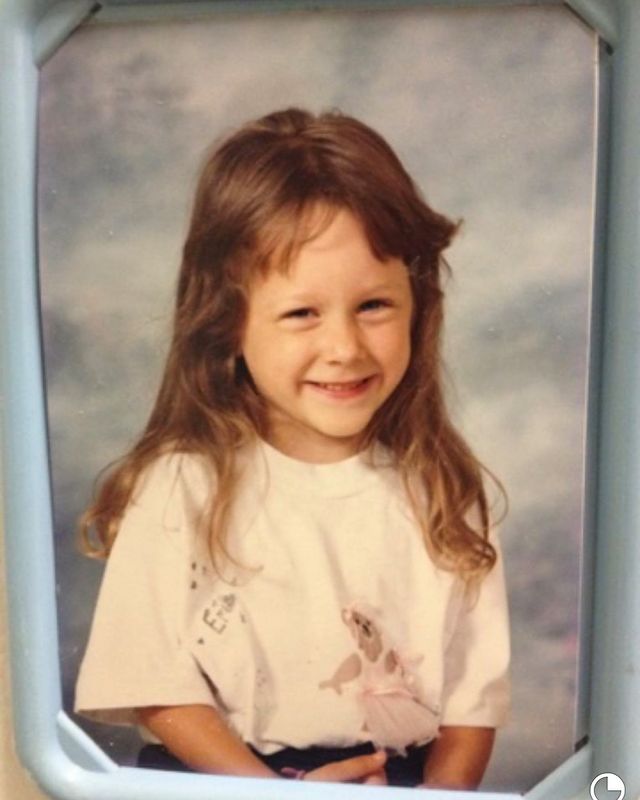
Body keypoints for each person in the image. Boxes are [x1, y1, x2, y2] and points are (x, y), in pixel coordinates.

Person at [75, 107, 510, 789]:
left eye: (374, 306)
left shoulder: (445, 492)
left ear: (418, 304)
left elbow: (471, 708)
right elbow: (158, 686)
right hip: (225, 782)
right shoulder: (182, 487)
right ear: (228, 322)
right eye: (302, 313)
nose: (344, 349)